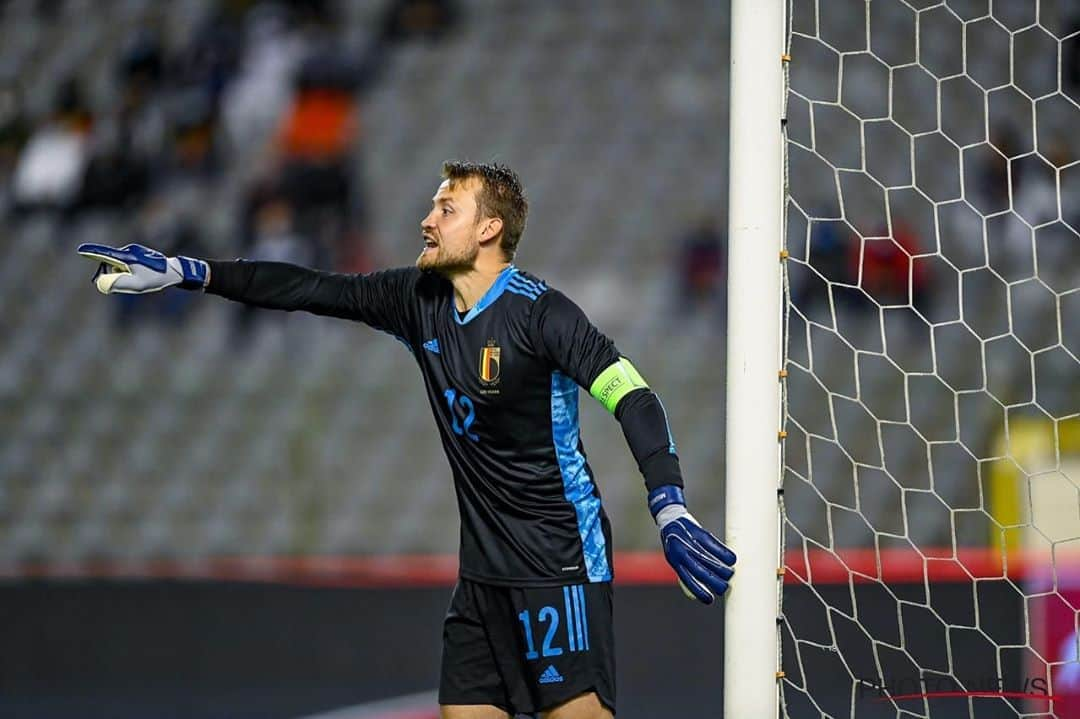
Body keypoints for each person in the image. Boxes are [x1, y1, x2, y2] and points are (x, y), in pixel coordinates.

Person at [77, 161, 735, 719]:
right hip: (481, 579)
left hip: (557, 568)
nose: (427, 219)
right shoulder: (415, 298)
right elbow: (310, 288)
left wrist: (669, 503)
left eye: (446, 208)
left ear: (488, 228)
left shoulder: (542, 315)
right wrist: (191, 271)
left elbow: (633, 394)